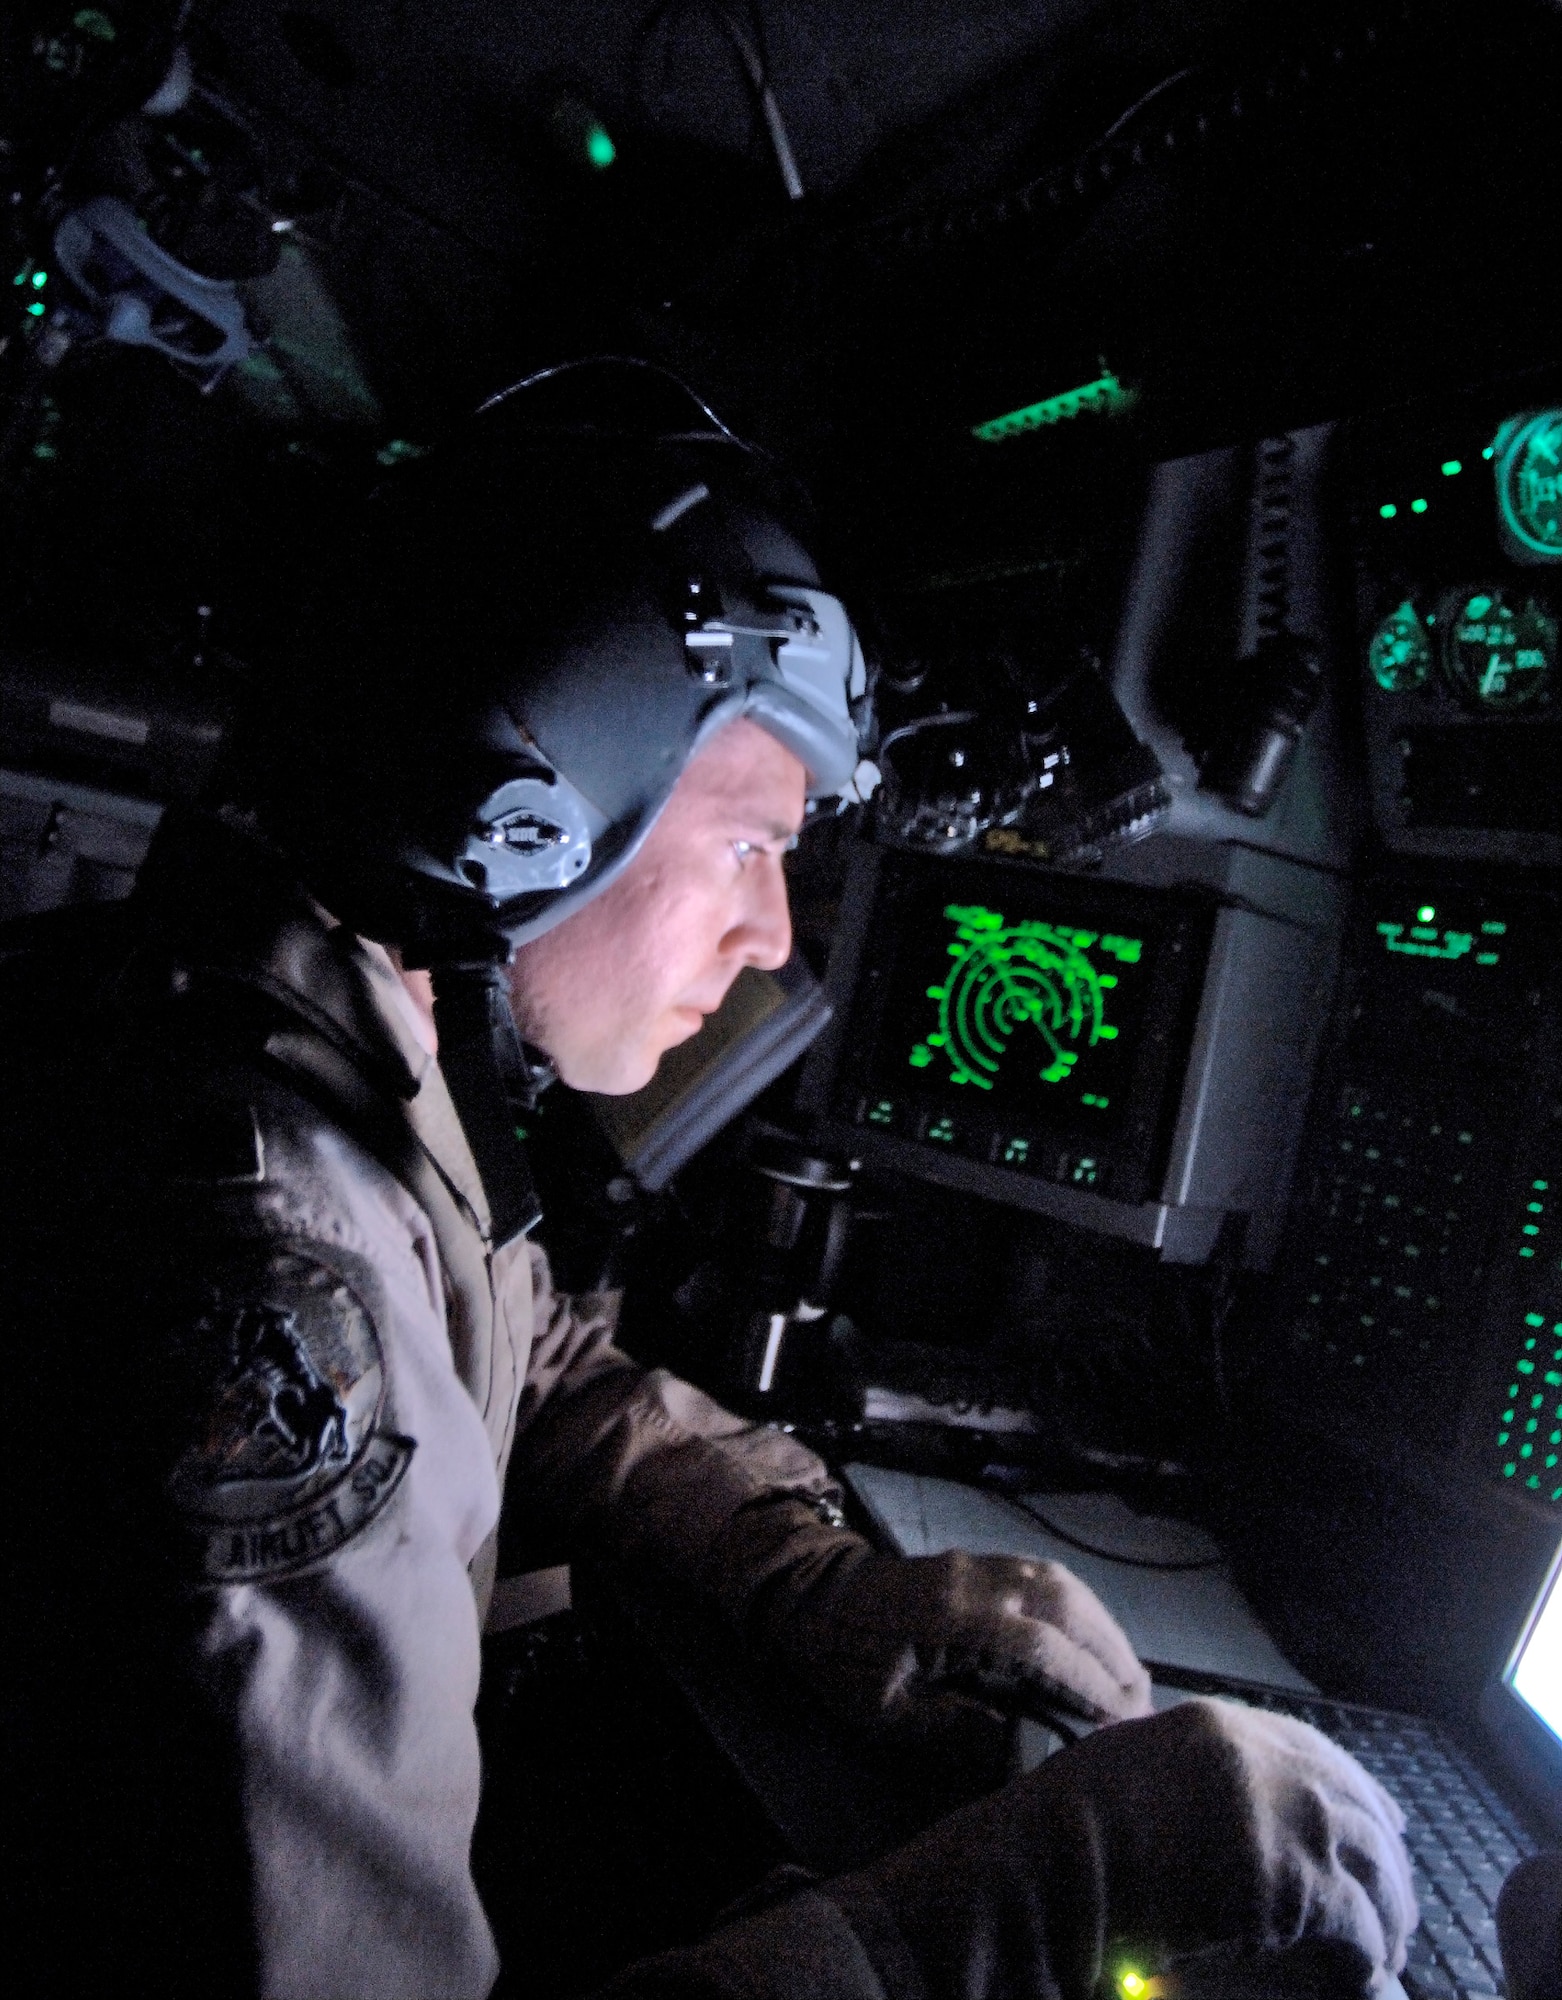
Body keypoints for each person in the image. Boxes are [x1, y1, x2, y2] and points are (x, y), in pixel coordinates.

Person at [3, 361, 1417, 2000]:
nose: (770, 939)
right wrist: (1045, 1900)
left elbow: (519, 1348)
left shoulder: (319, 1011)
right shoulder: (272, 1269)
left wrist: (811, 1578)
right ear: (535, 787)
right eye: (751, 841)